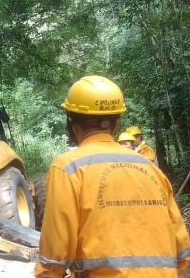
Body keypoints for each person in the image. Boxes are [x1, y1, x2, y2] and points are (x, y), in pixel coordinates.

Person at [35, 75, 190, 278]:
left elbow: (55, 254)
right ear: (115, 125)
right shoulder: (151, 169)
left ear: (73, 126)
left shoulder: (67, 167)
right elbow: (182, 251)